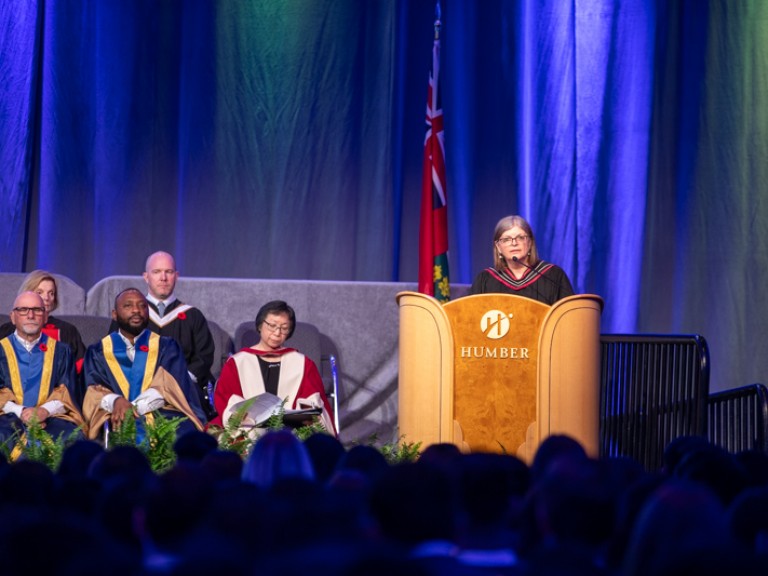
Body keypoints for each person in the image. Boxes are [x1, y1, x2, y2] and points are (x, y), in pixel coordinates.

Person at [82, 288, 207, 440]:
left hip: (161, 413)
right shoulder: (97, 351)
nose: (136, 310)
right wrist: (116, 401)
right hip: (114, 415)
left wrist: (132, 408)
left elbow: (170, 386)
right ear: (114, 315)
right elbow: (93, 389)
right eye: (128, 306)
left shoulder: (166, 346)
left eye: (142, 306)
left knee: (184, 432)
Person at [108, 251, 217, 418]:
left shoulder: (192, 315)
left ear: (176, 276)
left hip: (181, 394)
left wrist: (175, 383)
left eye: (169, 272)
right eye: (156, 272)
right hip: (134, 390)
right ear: (146, 276)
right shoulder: (128, 315)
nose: (163, 278)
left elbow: (203, 357)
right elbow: (113, 351)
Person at [210, 300, 335, 435]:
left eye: (284, 328)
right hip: (248, 427)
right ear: (260, 325)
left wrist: (306, 412)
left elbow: (313, 400)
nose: (277, 333)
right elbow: (227, 399)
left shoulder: (302, 363)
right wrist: (243, 416)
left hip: (290, 429)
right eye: (272, 326)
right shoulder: (238, 362)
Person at [0, 291, 84, 452]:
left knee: (72, 437)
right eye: (23, 310)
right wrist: (22, 411)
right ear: (13, 317)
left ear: (45, 317)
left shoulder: (61, 351)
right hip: (7, 417)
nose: (30, 315)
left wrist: (44, 411)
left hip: (51, 418)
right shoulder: (1, 350)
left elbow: (67, 391)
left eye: (37, 310)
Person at [469, 215, 574, 305]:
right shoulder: (485, 280)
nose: (514, 243)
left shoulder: (553, 276)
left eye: (520, 237)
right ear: (498, 247)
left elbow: (568, 316)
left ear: (530, 243)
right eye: (506, 239)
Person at [0, 270, 86, 372]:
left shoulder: (67, 331)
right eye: (39, 292)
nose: (46, 298)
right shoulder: (7, 330)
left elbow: (80, 368)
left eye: (51, 293)